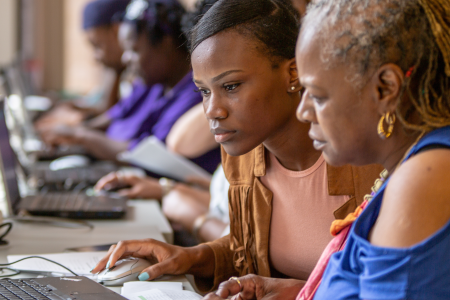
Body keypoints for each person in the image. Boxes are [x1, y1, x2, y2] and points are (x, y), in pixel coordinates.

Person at [90, 0, 382, 295]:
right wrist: (189, 257)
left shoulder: (367, 158)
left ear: (293, 74)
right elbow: (247, 251)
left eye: (230, 86)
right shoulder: (245, 153)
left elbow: (399, 282)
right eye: (204, 91)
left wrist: (301, 292)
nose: (212, 111)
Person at [203, 0, 450, 299]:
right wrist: (302, 290)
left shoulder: (423, 179)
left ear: (385, 88)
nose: (303, 111)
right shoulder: (414, 164)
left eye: (318, 96)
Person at [38, 0, 220, 174]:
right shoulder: (154, 84)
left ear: (165, 43)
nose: (126, 59)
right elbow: (115, 117)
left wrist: (80, 136)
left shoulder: (196, 93)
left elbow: (148, 156)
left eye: (134, 50)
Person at [35, 0, 131, 130]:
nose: (96, 57)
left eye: (97, 45)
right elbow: (109, 110)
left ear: (117, 31)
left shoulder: (144, 76)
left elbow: (117, 120)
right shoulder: (120, 69)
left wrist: (72, 129)